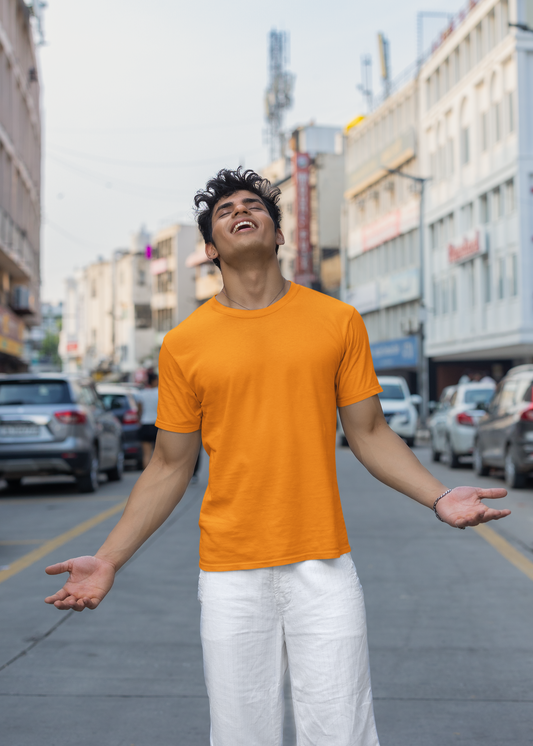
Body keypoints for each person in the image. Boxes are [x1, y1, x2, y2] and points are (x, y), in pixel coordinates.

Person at [44, 168, 510, 746]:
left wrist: (438, 495)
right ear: (212, 248)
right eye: (225, 210)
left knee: (342, 730)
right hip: (230, 572)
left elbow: (368, 433)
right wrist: (110, 557)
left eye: (254, 204)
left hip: (324, 565)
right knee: (242, 735)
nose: (242, 210)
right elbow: (169, 465)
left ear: (279, 233)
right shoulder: (184, 344)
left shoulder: (336, 321)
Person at [136, 372, 159, 469]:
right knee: (159, 455)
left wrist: (139, 421)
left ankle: (146, 477)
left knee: (146, 454)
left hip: (145, 424)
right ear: (154, 381)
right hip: (158, 425)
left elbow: (139, 411)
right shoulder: (161, 392)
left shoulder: (142, 394)